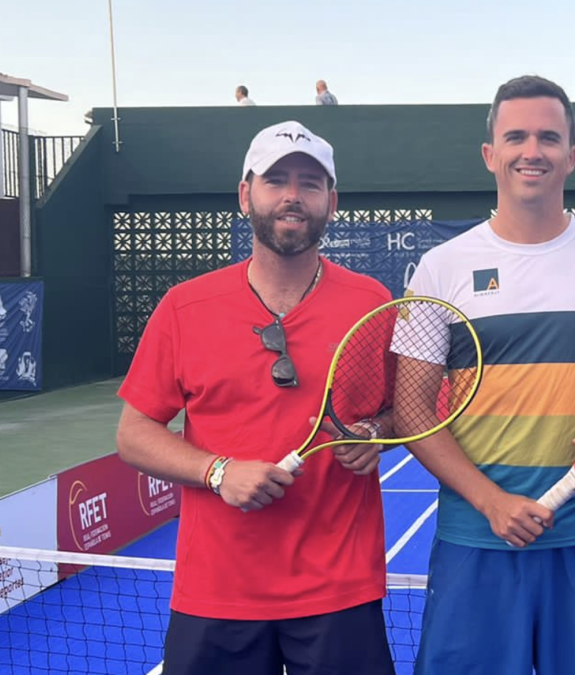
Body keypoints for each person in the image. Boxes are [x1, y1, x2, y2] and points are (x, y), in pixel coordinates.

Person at [115, 120, 395, 675]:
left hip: (339, 589)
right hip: (216, 590)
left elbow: (399, 412)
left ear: (331, 202)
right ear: (246, 194)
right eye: (276, 180)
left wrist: (376, 434)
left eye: (310, 183)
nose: (293, 195)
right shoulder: (183, 306)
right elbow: (133, 434)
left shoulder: (372, 303)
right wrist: (219, 471)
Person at [397, 75, 575, 674]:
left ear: (572, 155)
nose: (531, 151)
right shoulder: (438, 268)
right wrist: (491, 503)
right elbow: (411, 410)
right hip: (475, 538)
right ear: (491, 154)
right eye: (515, 137)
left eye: (548, 137)